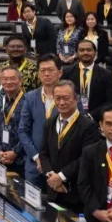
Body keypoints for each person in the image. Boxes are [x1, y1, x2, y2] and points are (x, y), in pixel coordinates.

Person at [38, 81, 99, 209]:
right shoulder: (49, 123)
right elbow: (43, 153)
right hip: (52, 189)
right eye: (57, 98)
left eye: (66, 98)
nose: (61, 102)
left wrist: (61, 177)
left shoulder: (89, 126)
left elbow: (85, 158)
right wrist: (52, 177)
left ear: (76, 100)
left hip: (75, 193)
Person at [14, 56, 61, 179]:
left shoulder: (70, 98)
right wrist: (36, 157)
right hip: (34, 164)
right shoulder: (30, 97)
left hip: (59, 166)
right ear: (38, 74)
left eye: (50, 70)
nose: (46, 74)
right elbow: (23, 130)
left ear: (60, 73)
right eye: (42, 71)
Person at [0, 66, 26, 164]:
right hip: (1, 157)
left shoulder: (27, 102)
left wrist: (14, 153)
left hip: (21, 159)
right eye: (5, 79)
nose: (8, 82)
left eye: (12, 79)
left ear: (21, 80)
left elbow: (29, 133)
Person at [64, 39, 112, 113]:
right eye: (82, 50)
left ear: (95, 53)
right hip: (72, 115)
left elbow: (110, 102)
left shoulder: (106, 74)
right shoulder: (67, 72)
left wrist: (91, 116)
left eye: (89, 50)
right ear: (77, 53)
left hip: (96, 118)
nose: (85, 52)